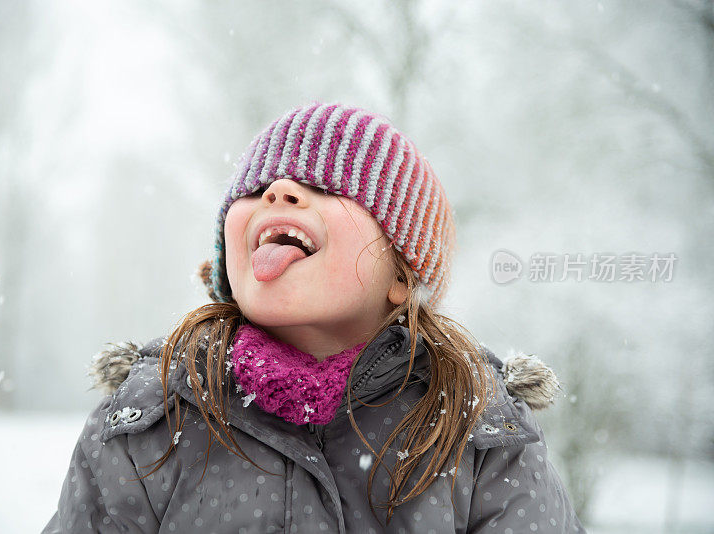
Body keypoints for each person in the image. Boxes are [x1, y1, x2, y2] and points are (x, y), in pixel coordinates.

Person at [43, 102, 586, 533]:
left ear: (401, 273)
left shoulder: (477, 433)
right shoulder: (151, 420)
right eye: (257, 190)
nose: (278, 191)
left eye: (326, 188)